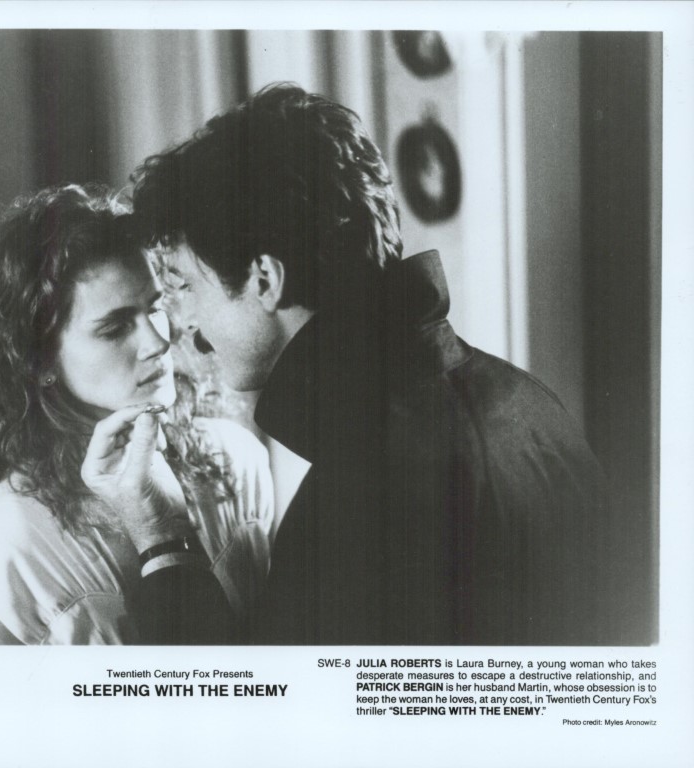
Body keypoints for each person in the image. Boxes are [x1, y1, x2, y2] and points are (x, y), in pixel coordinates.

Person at [87, 83, 636, 645]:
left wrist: (160, 534)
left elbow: (256, 702)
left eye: (185, 286)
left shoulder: (359, 500)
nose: (182, 323)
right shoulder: (527, 402)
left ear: (265, 280)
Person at [0, 185, 272, 644]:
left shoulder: (234, 457)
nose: (158, 343)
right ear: (39, 361)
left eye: (154, 309)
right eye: (115, 328)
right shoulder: (7, 548)